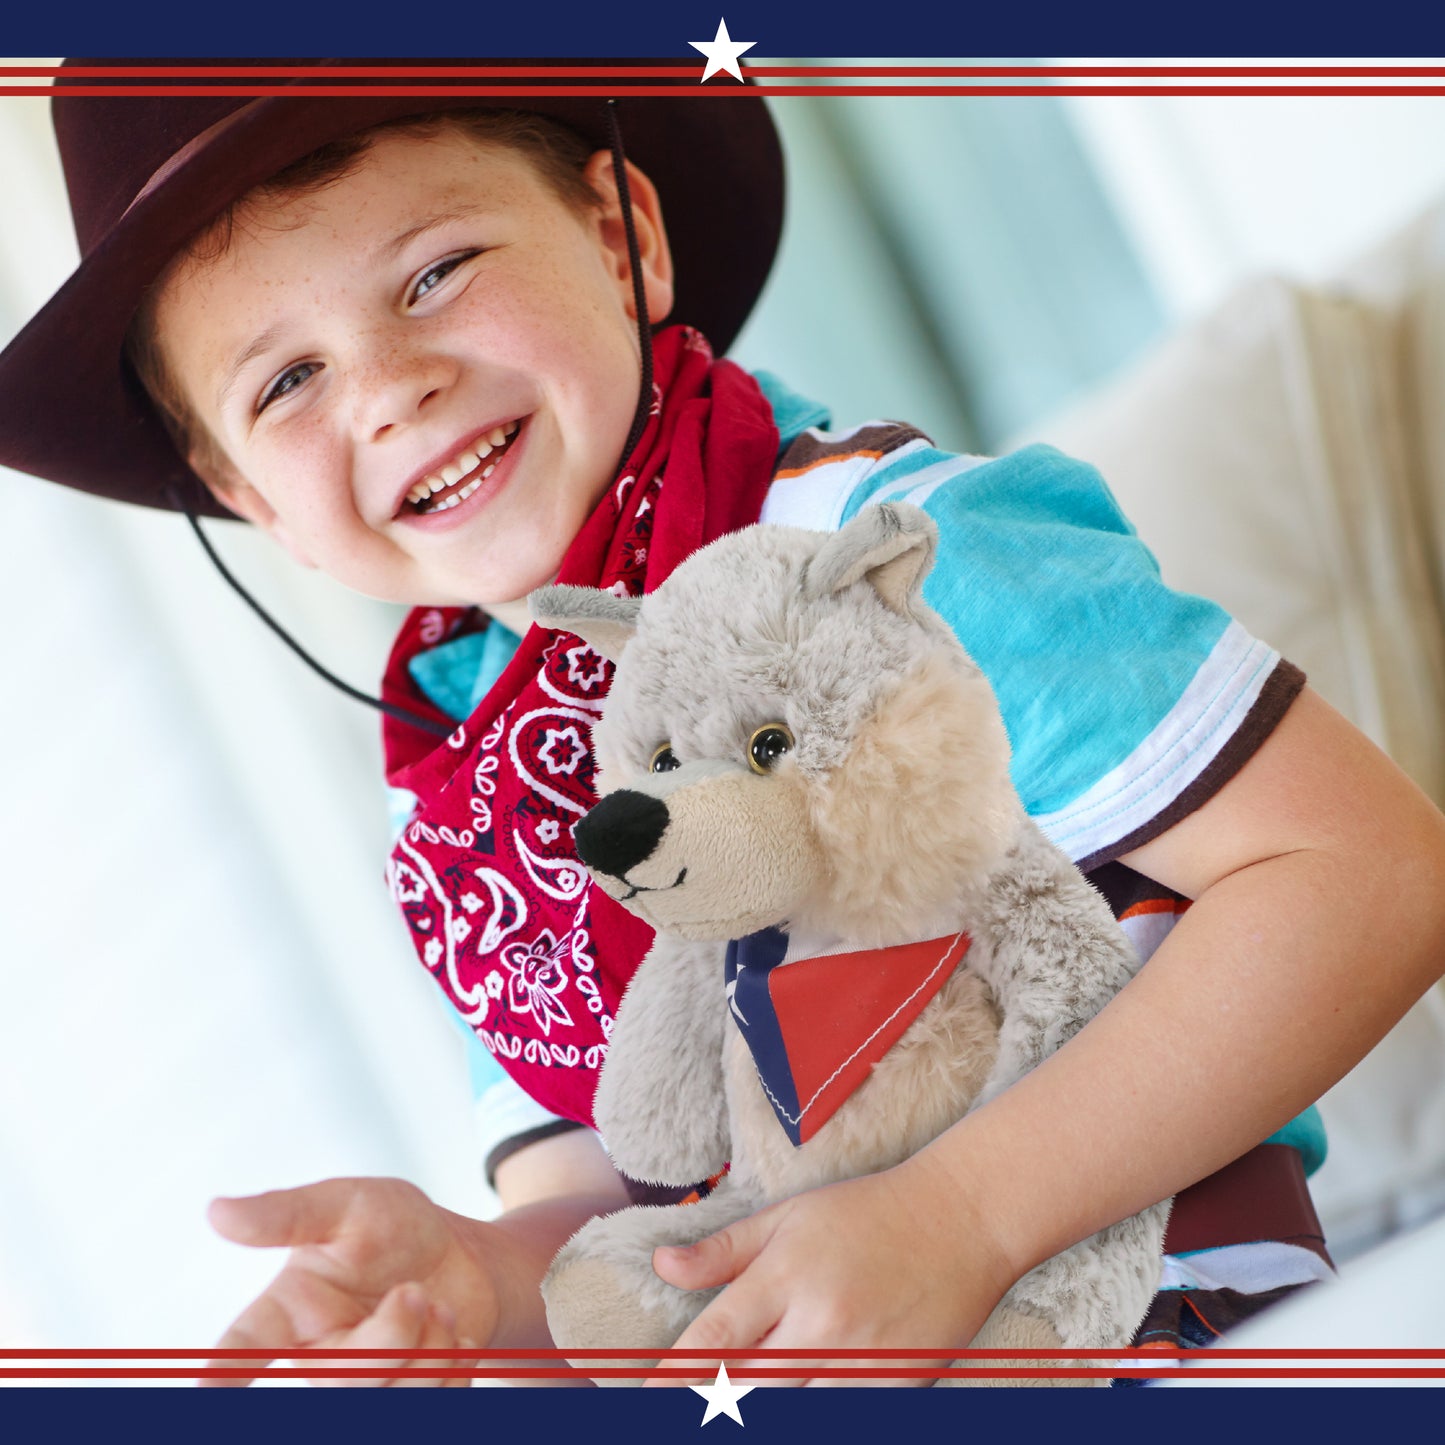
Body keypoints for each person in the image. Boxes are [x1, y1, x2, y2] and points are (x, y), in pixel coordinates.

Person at [2, 56, 1443, 1387]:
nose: (388, 391)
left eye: (435, 272)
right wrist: (487, 1281)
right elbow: (607, 1208)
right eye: (288, 381)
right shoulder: (454, 798)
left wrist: (958, 1214)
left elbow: (1367, 871)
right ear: (249, 500)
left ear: (621, 235)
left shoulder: (894, 555)